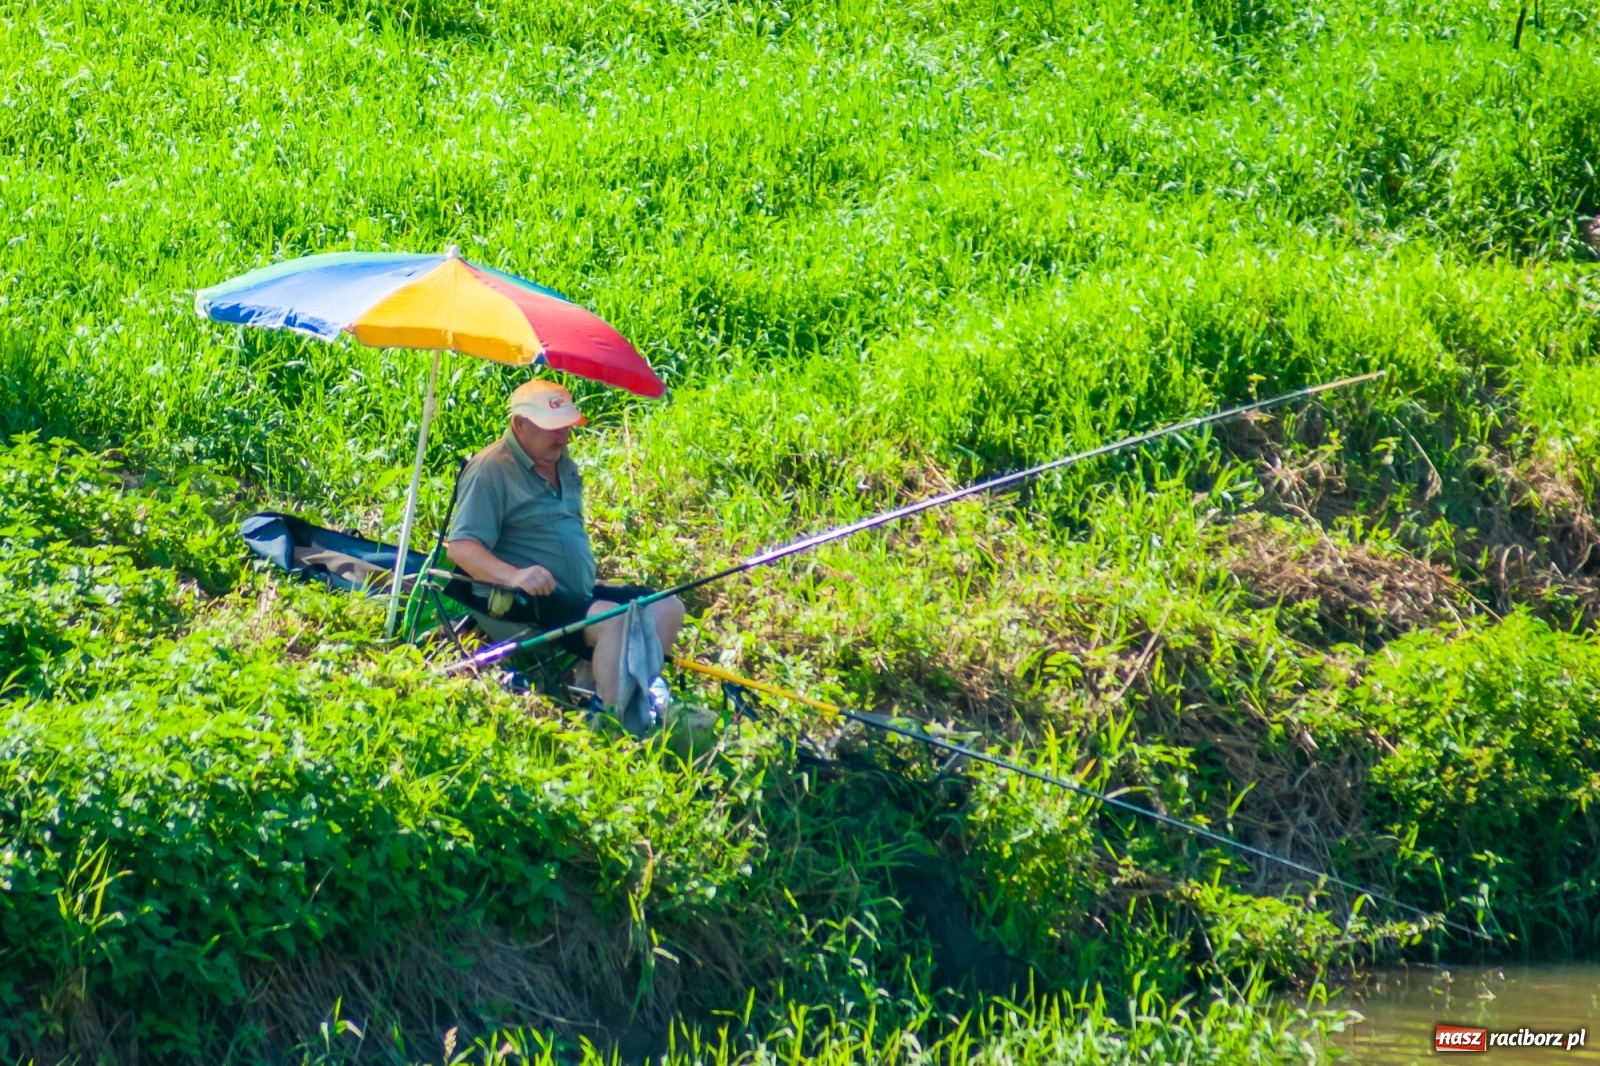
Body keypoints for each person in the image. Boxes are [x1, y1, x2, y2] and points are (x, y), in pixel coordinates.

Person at [446, 378, 684, 708]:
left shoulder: (559, 459)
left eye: (567, 426)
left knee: (666, 606)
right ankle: (617, 727)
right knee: (612, 619)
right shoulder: (490, 470)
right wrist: (514, 576)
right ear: (520, 424)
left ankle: (614, 690)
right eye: (552, 427)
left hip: (575, 594)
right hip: (520, 600)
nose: (563, 436)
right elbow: (460, 546)